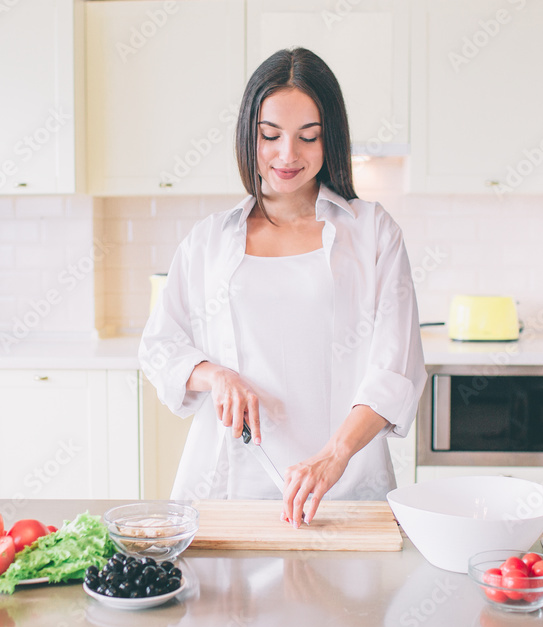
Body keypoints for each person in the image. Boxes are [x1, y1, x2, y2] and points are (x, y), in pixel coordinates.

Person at [139, 47, 426, 528]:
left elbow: (395, 370)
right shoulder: (208, 240)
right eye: (270, 136)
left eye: (307, 137)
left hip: (344, 492)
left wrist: (334, 456)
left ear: (328, 138)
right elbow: (159, 346)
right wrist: (214, 374)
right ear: (248, 134)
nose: (287, 155)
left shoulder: (373, 232)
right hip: (227, 495)